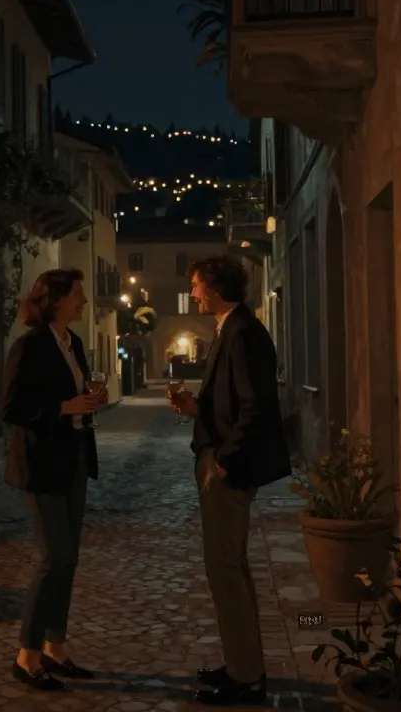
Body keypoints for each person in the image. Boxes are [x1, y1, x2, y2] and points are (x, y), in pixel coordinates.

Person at [168, 255, 290, 706]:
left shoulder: (242, 333)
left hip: (227, 467)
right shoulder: (232, 329)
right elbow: (235, 403)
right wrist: (197, 412)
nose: (194, 291)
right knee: (230, 569)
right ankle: (243, 665)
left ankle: (247, 679)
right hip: (220, 456)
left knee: (225, 570)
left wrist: (225, 460)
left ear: (217, 286)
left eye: (197, 284)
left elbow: (257, 407)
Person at [2, 269, 105, 691]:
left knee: (70, 558)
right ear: (56, 299)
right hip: (41, 464)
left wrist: (88, 402)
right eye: (78, 294)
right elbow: (11, 407)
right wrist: (63, 406)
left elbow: (75, 397)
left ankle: (55, 647)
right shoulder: (28, 347)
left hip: (74, 458)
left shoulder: (73, 343)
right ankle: (26, 654)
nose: (83, 301)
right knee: (53, 556)